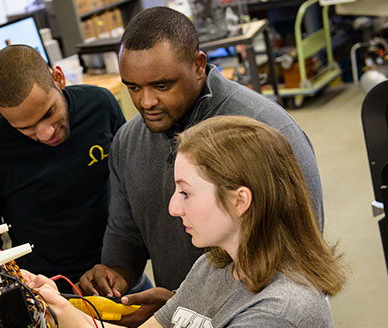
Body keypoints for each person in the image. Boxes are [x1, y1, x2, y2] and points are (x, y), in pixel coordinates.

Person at [78, 7, 325, 325]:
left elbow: (301, 248)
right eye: (133, 88)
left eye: (161, 86)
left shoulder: (266, 130)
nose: (146, 102)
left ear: (198, 65)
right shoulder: (128, 143)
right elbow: (126, 231)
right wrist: (116, 278)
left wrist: (192, 310)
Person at [31, 116, 346, 328]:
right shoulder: (215, 266)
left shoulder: (282, 311)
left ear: (240, 201)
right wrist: (60, 308)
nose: (173, 207)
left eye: (185, 192)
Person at [0, 45, 126, 292]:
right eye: (25, 128)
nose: (46, 133)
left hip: (118, 272)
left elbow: (132, 185)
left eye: (49, 113)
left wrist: (125, 265)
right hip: (49, 288)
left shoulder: (100, 106)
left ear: (58, 78)